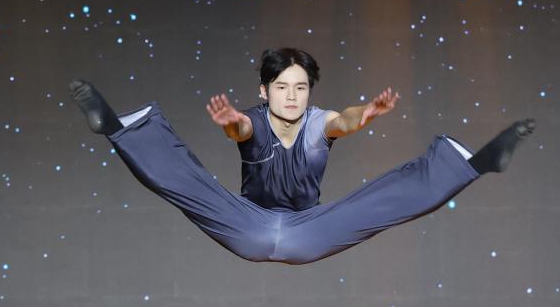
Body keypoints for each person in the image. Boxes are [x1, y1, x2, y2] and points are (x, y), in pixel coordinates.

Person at [69, 47, 534, 265]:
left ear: (310, 92)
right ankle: (116, 127)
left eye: (300, 88)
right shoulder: (253, 119)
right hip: (246, 224)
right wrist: (230, 121)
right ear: (264, 91)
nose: (292, 96)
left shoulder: (317, 124)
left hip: (309, 231)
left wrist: (367, 113)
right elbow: (240, 129)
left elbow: (343, 121)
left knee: (378, 203)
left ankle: (476, 163)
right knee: (191, 185)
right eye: (281, 87)